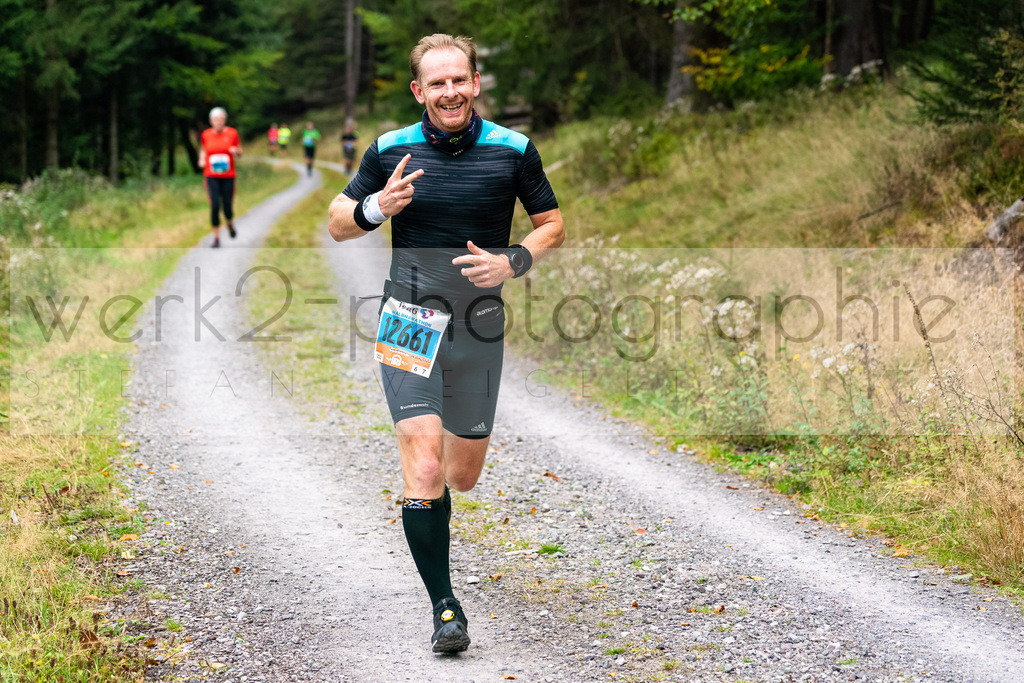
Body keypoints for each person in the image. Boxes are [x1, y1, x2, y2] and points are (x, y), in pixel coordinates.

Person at [327, 33, 564, 654]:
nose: (450, 92)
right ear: (419, 91)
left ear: (476, 83)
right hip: (408, 317)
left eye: (459, 80)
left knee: (461, 475)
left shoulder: (513, 150)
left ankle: (428, 493)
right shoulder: (389, 150)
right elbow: (336, 222)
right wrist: (377, 208)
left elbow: (552, 226)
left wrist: (515, 260)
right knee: (425, 460)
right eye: (437, 83)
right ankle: (445, 608)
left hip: (480, 325)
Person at [198, 107, 242, 248]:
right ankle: (216, 238)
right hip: (211, 175)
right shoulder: (206, 135)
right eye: (216, 120)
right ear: (211, 121)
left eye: (221, 120)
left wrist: (236, 151)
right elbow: (204, 149)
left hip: (228, 175)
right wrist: (201, 159)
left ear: (225, 121)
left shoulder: (232, 133)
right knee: (215, 205)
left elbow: (240, 151)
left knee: (227, 205)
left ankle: (229, 222)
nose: (219, 122)